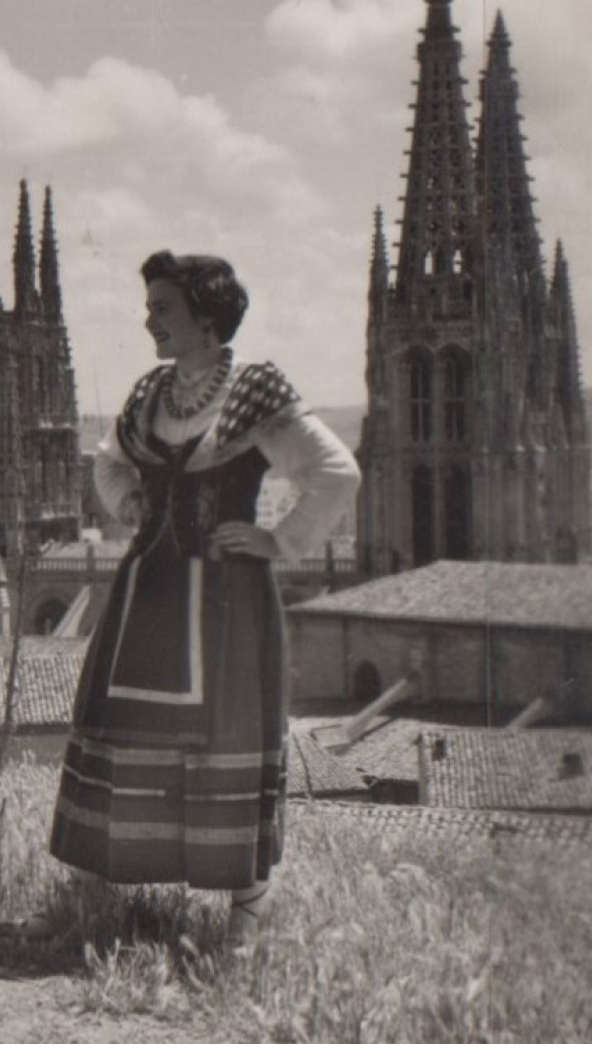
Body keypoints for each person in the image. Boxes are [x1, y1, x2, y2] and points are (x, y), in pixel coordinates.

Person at [48, 251, 360, 944]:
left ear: (205, 316)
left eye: (162, 307)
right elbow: (108, 459)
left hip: (223, 598)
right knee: (120, 723)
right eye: (150, 306)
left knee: (225, 733)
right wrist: (128, 501)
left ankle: (245, 911)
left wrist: (278, 541)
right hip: (146, 594)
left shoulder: (254, 389)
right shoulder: (149, 393)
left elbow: (336, 470)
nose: (149, 319)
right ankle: (94, 894)